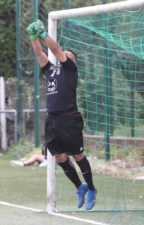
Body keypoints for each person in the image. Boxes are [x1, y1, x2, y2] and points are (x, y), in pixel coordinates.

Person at [26, 20, 97, 210]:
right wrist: (33, 36)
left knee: (78, 156)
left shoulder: (71, 69)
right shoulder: (51, 70)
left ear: (72, 60)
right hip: (52, 121)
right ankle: (79, 187)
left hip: (69, 118)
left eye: (66, 55)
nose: (60, 56)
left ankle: (91, 188)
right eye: (61, 55)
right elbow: (40, 53)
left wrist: (42, 32)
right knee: (60, 158)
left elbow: (55, 48)